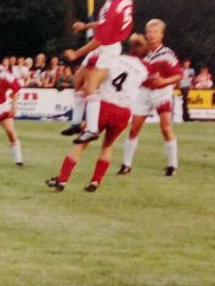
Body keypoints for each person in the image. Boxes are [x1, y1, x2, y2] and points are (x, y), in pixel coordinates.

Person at [47, 35, 149, 192]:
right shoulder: (143, 71)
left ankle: (62, 179)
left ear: (129, 47)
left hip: (105, 104)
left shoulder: (115, 60)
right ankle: (95, 182)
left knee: (81, 143)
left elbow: (97, 79)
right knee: (107, 146)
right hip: (124, 111)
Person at [62, 0, 135, 144]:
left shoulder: (110, 6)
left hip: (107, 48)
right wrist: (86, 26)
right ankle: (76, 123)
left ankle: (92, 129)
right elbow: (106, 25)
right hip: (107, 45)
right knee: (78, 81)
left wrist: (76, 53)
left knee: (90, 86)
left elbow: (99, 39)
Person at [119, 20, 182, 177]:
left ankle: (172, 165)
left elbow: (179, 75)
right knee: (134, 128)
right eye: (150, 32)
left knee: (166, 128)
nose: (152, 35)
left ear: (161, 34)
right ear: (146, 34)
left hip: (162, 93)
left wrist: (165, 81)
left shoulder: (167, 53)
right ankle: (126, 164)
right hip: (144, 92)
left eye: (156, 32)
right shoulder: (141, 52)